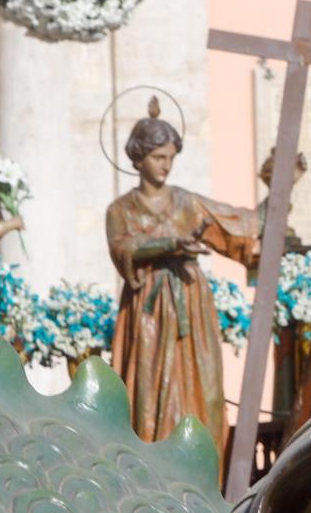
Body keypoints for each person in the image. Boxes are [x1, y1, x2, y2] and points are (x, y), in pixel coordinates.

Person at [105, 99, 256, 442]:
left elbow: (238, 225)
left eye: (171, 158)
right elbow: (122, 248)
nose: (166, 166)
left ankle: (203, 467)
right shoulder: (120, 209)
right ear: (138, 158)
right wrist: (170, 244)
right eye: (159, 157)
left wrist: (281, 189)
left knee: (202, 392)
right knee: (146, 391)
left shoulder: (187, 202)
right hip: (149, 312)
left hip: (190, 303)